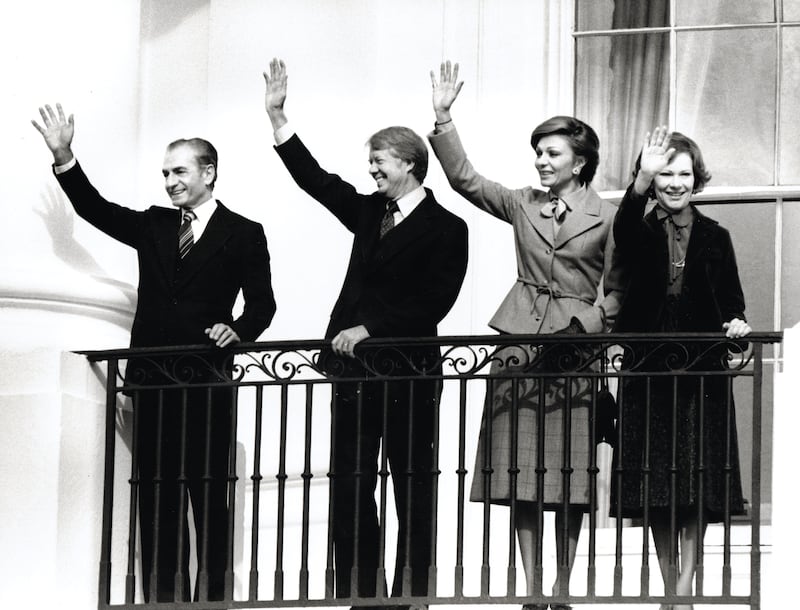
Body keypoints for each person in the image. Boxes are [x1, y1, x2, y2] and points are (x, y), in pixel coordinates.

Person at [32, 104, 277, 602]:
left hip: (207, 380)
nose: (170, 182)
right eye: (165, 173)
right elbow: (95, 209)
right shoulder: (155, 226)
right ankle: (166, 603)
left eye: (179, 171)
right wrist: (65, 157)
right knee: (159, 502)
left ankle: (212, 603)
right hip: (152, 381)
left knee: (209, 500)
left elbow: (264, 303)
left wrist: (238, 331)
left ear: (208, 173)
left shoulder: (244, 231)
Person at [263, 59, 468, 607]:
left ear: (408, 163)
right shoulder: (369, 213)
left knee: (413, 488)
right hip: (353, 373)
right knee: (352, 488)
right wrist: (279, 119)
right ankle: (363, 596)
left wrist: (370, 328)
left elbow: (435, 301)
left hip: (409, 372)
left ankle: (413, 597)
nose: (372, 171)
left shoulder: (448, 227)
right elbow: (318, 182)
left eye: (378, 162)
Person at [428, 61, 622, 609]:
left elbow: (618, 292)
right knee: (521, 478)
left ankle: (560, 589)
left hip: (575, 351)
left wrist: (585, 324)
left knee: (568, 481)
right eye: (538, 152)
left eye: (553, 153)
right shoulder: (521, 202)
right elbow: (466, 179)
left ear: (579, 161)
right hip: (517, 347)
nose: (541, 160)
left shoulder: (606, 218)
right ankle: (532, 590)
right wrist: (443, 120)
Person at [611, 127, 751, 610]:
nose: (675, 182)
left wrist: (736, 324)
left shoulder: (717, 236)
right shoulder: (639, 227)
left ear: (697, 178)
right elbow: (624, 230)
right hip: (647, 372)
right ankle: (673, 589)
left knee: (696, 485)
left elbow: (733, 303)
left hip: (701, 373)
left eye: (683, 173)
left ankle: (682, 591)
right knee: (656, 485)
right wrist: (640, 178)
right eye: (665, 173)